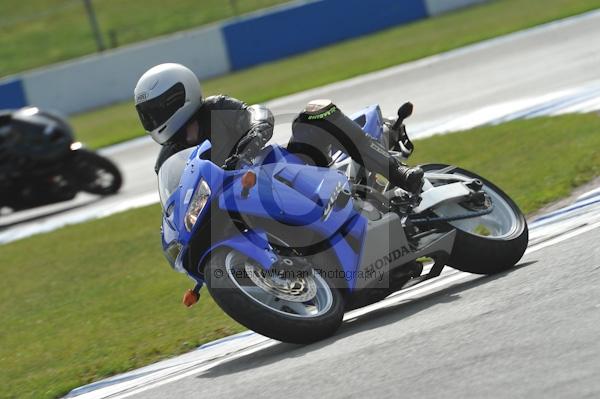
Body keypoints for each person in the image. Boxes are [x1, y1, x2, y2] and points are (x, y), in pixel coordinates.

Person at [134, 63, 423, 193]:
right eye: (147, 114)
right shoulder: (167, 160)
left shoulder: (217, 108)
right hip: (242, 204)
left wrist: (251, 142)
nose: (152, 120)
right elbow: (176, 200)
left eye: (155, 110)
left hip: (283, 169)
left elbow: (258, 115)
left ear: (177, 97)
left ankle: (398, 174)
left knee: (317, 112)